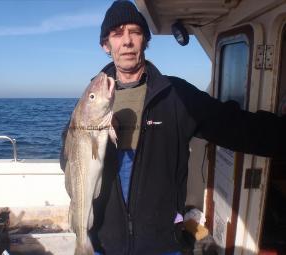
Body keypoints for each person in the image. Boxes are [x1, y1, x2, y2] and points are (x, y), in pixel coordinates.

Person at [61, 1, 286, 254]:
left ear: (145, 40)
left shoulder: (176, 94)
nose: (127, 41)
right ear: (106, 44)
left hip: (162, 242)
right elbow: (68, 158)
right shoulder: (86, 103)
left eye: (135, 32)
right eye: (117, 33)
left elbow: (236, 127)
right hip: (104, 239)